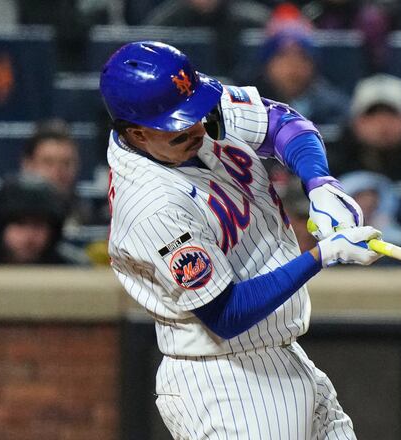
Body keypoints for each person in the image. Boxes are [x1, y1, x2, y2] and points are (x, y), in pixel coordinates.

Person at [100, 41, 382, 439]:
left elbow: (282, 123)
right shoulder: (151, 205)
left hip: (278, 358)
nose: (199, 130)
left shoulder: (190, 107)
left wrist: (319, 182)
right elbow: (226, 314)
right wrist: (321, 256)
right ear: (138, 135)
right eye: (181, 130)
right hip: (227, 383)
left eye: (197, 115)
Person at [326, 74, 401, 180]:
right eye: (372, 114)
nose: (382, 124)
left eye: (392, 114)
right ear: (355, 123)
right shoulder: (331, 166)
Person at [251, 7, 351, 125]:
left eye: (302, 57)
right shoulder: (250, 105)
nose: (292, 67)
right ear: (267, 65)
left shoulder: (334, 109)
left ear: (314, 65)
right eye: (283, 57)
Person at [0, 176, 85, 265]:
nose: (29, 235)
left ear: (53, 230)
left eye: (38, 224)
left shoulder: (73, 271)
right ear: (1, 227)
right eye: (20, 223)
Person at [338, 170, 401, 237]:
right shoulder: (332, 226)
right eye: (361, 196)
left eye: (373, 197)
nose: (368, 203)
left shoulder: (384, 225)